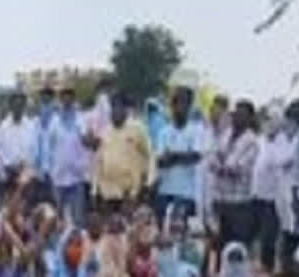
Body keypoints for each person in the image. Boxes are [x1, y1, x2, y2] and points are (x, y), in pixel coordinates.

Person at [211, 100, 259, 249]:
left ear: (250, 118)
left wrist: (222, 166)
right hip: (220, 199)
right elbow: (212, 159)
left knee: (238, 247)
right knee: (219, 244)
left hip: (240, 203)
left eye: (242, 115)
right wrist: (223, 166)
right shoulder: (225, 135)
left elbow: (239, 169)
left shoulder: (252, 141)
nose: (238, 118)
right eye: (236, 114)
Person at [93, 93, 152, 214]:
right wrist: (94, 191)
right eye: (113, 107)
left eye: (118, 107)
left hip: (130, 194)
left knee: (130, 230)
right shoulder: (105, 131)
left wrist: (147, 185)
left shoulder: (138, 129)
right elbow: (99, 162)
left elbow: (150, 157)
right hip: (108, 195)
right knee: (110, 231)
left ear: (125, 109)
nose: (115, 111)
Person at [252, 107, 293, 274]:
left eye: (271, 120)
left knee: (270, 231)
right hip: (257, 192)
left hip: (274, 194)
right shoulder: (260, 140)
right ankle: (262, 261)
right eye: (266, 120)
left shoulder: (283, 142)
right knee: (260, 230)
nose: (268, 124)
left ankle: (270, 264)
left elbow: (282, 161)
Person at [154, 87, 203, 223]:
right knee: (163, 233)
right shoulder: (164, 132)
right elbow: (160, 161)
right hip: (165, 191)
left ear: (189, 106)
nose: (179, 107)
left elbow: (195, 157)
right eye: (175, 103)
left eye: (183, 103)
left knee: (183, 235)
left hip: (187, 194)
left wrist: (173, 155)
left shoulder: (197, 130)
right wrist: (180, 156)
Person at [47, 87, 94, 227]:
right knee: (58, 220)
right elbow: (50, 147)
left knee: (78, 219)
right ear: (61, 100)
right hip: (58, 177)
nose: (67, 100)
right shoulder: (54, 121)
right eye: (64, 97)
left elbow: (87, 142)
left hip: (76, 177)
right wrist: (50, 171)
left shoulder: (81, 119)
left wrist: (87, 138)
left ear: (73, 99)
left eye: (70, 97)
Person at [0, 93, 38, 200]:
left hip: (26, 176)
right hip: (8, 176)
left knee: (25, 212)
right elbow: (0, 151)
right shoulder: (3, 127)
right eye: (15, 105)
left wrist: (26, 167)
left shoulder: (31, 126)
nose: (18, 108)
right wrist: (9, 167)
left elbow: (34, 150)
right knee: (9, 211)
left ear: (24, 106)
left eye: (20, 105)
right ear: (11, 106)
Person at [277, 100, 299, 277]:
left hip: (295, 188)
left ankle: (289, 267)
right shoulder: (291, 139)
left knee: (292, 228)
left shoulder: (295, 140)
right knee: (289, 227)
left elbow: (284, 161)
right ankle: (287, 267)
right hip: (291, 188)